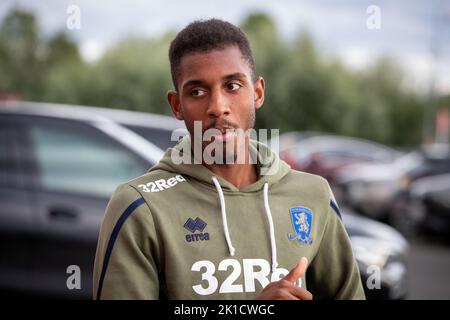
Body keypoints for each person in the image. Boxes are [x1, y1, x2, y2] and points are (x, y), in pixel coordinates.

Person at [93, 18, 365, 300]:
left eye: (233, 86)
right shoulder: (140, 206)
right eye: (197, 92)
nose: (218, 107)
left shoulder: (313, 195)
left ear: (257, 92)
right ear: (177, 105)